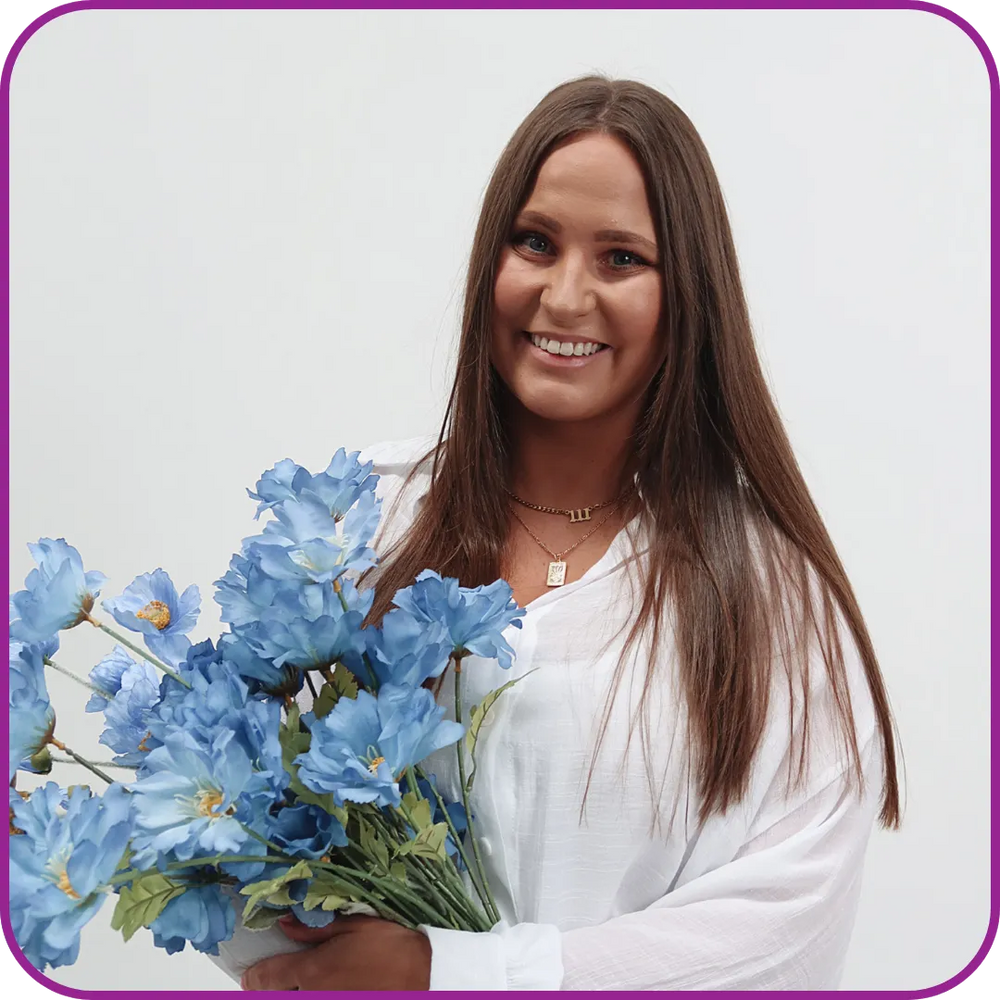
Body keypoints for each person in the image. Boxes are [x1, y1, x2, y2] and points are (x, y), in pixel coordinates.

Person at [236, 74, 900, 991]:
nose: (565, 294)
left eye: (621, 258)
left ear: (689, 294)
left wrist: (452, 972)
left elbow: (784, 932)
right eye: (536, 243)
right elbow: (239, 853)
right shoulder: (367, 524)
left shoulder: (773, 600)